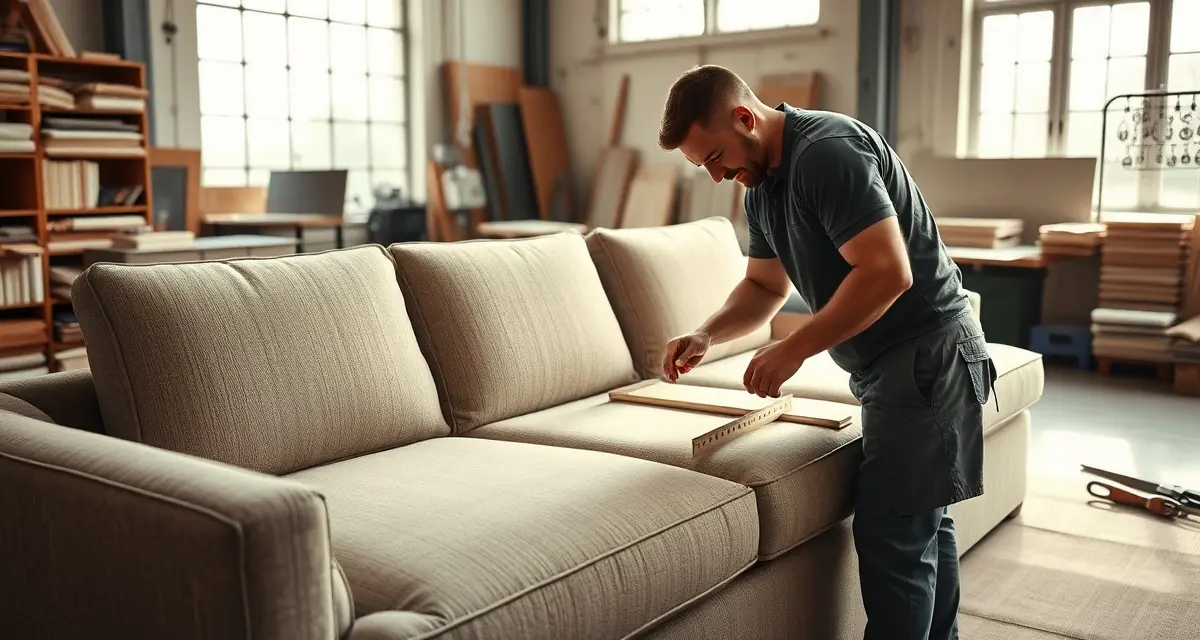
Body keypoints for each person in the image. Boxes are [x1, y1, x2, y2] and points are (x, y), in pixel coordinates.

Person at [656, 64, 998, 640]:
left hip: (926, 357)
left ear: (745, 118)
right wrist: (707, 333)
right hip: (891, 365)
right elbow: (765, 288)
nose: (716, 176)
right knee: (920, 527)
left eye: (714, 157)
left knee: (894, 538)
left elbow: (888, 273)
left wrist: (796, 349)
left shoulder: (827, 153)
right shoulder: (760, 186)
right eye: (701, 167)